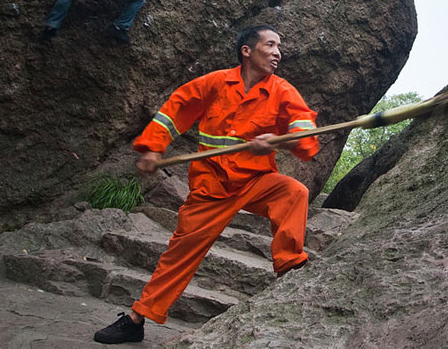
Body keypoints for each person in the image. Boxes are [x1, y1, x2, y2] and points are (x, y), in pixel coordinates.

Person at [93, 25, 319, 344]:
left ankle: (290, 267)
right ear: (247, 51)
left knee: (294, 191)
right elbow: (176, 109)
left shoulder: (283, 90)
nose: (278, 52)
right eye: (270, 45)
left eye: (279, 47)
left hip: (255, 180)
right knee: (179, 254)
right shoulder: (215, 82)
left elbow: (305, 136)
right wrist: (153, 147)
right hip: (211, 186)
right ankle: (135, 319)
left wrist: (279, 142)